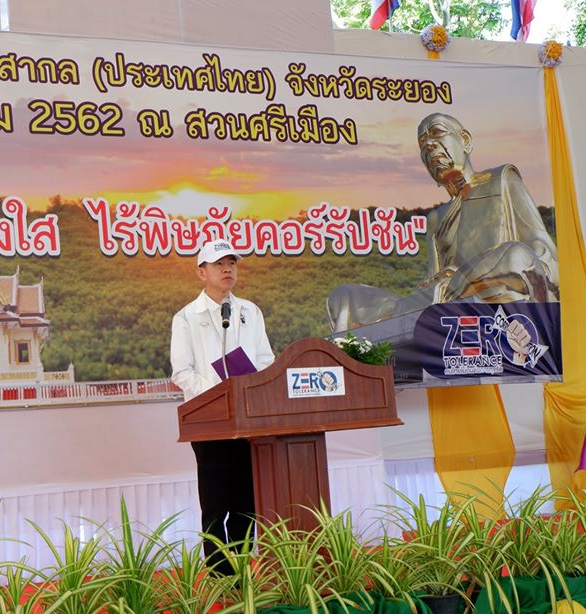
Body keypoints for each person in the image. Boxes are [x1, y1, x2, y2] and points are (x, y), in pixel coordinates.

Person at [327, 113, 559, 332]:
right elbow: (433, 280)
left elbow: (543, 253)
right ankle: (391, 324)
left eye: (437, 133)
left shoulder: (501, 180)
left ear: (465, 141)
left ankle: (412, 311)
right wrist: (439, 284)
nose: (429, 145)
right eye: (422, 144)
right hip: (447, 296)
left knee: (517, 256)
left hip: (487, 280)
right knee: (345, 296)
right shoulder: (436, 218)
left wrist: (462, 277)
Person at [170, 239, 275, 573]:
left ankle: (242, 567)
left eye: (232, 263)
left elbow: (266, 360)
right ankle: (219, 574)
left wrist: (251, 387)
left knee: (246, 502)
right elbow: (181, 372)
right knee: (215, 504)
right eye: (219, 264)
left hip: (248, 420)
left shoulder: (250, 312)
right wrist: (219, 393)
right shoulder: (186, 317)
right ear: (202, 272)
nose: (228, 269)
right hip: (210, 421)